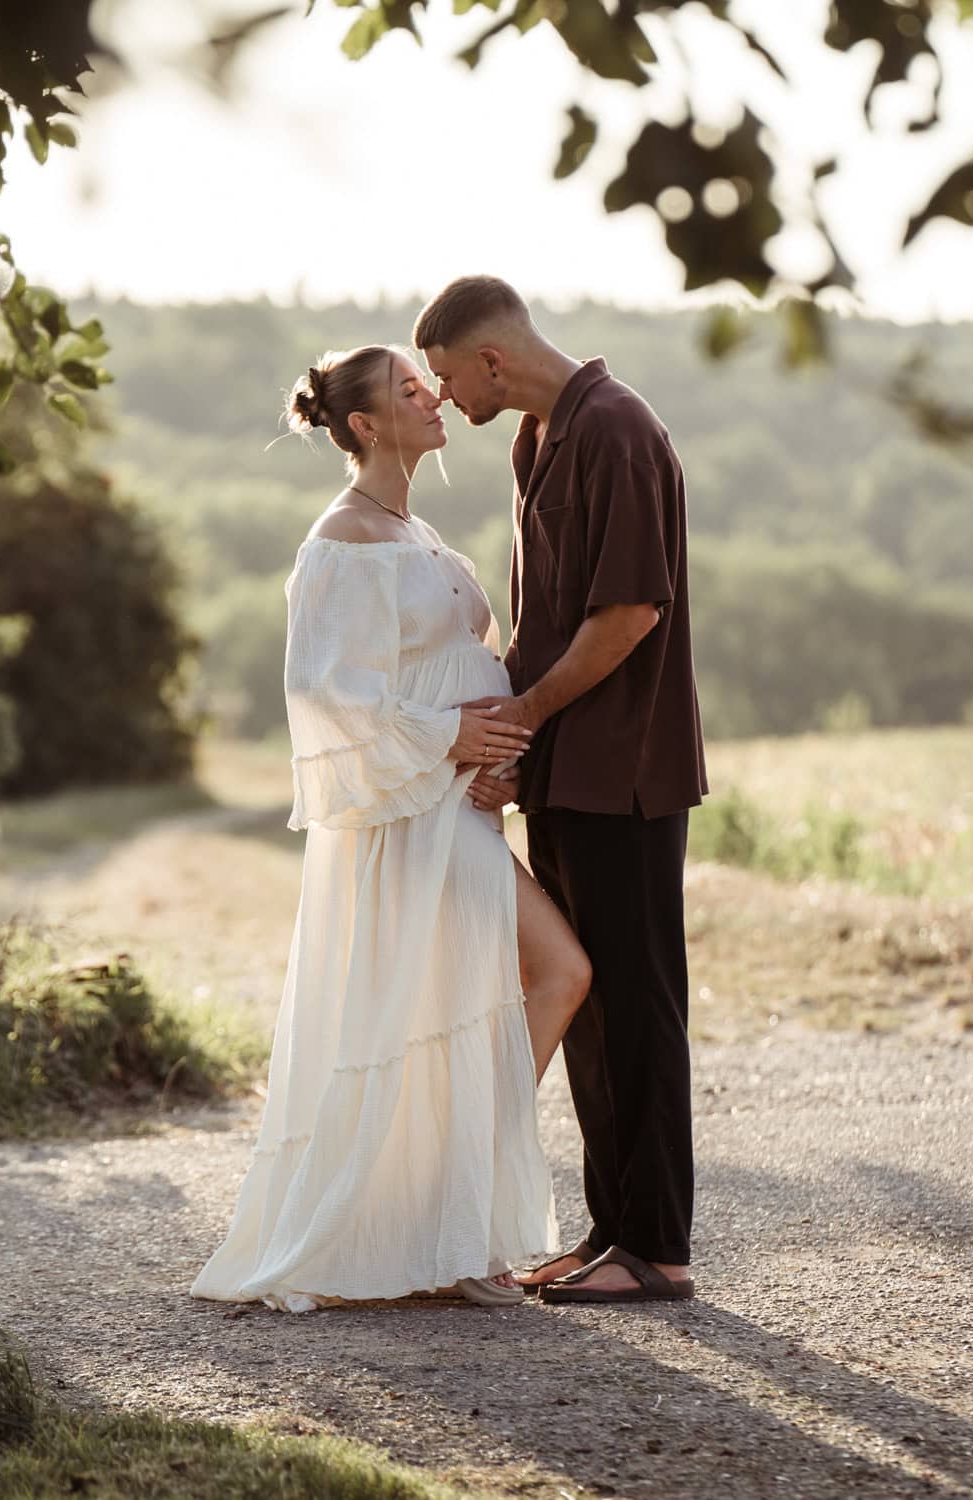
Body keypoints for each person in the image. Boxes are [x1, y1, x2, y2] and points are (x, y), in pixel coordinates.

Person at [190, 343, 592, 1312]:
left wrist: (495, 753)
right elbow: (324, 694)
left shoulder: (418, 534)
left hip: (455, 807)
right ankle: (440, 1223)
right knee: (559, 973)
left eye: (428, 381)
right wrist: (452, 738)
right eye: (410, 390)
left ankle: (445, 1219)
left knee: (484, 997)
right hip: (410, 818)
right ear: (366, 424)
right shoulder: (342, 539)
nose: (432, 394)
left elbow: (454, 661)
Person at [416, 277, 707, 1305]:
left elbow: (627, 615)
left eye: (447, 376)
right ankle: (611, 1232)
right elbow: (545, 620)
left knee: (638, 1005)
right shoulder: (534, 442)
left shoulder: (619, 429)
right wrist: (508, 742)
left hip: (625, 771)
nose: (442, 398)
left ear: (492, 359)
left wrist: (524, 717)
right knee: (587, 1002)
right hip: (561, 773)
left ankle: (658, 1249)